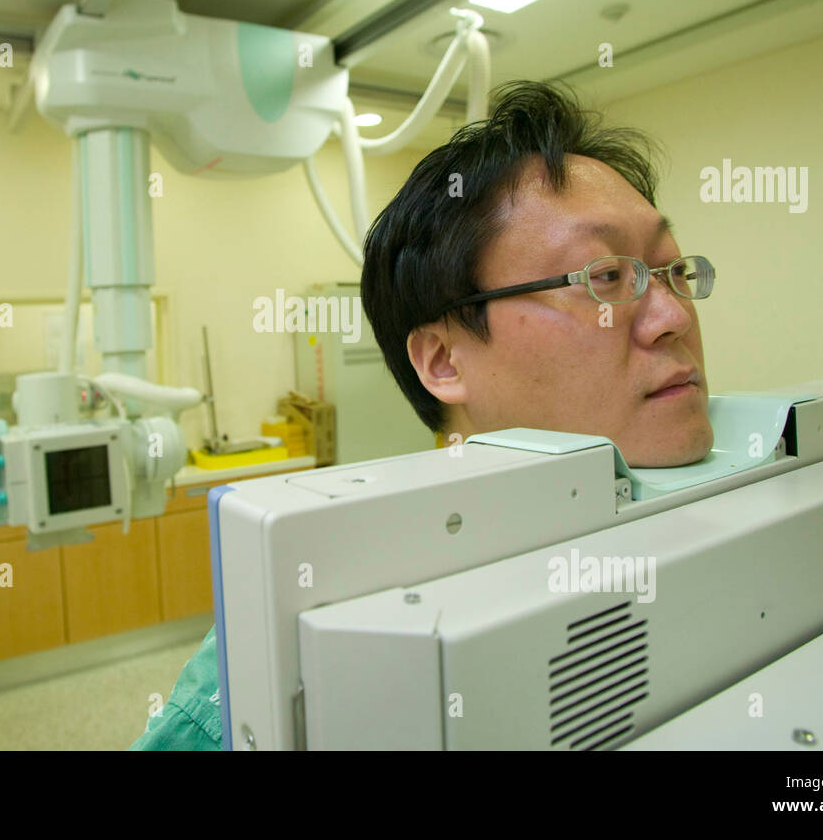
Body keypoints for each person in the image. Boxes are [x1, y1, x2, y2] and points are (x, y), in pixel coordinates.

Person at [131, 79, 715, 750]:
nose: (673, 316)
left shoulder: (748, 516)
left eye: (673, 272)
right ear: (443, 361)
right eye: (604, 277)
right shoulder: (263, 676)